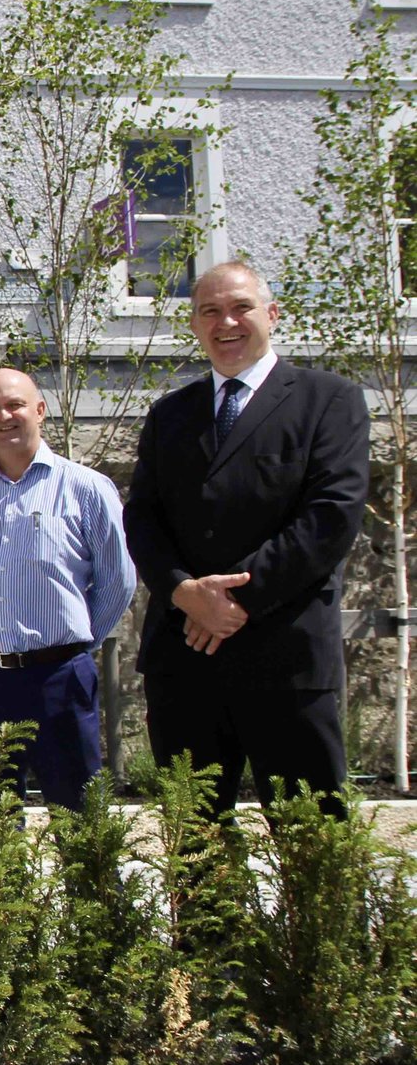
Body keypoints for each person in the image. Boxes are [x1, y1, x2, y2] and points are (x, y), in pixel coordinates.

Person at [125, 261, 370, 818]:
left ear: (272, 315)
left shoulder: (328, 401)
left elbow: (329, 518)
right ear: (194, 326)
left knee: (311, 841)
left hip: (284, 659)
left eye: (240, 308)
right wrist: (184, 592)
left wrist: (234, 600)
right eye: (209, 311)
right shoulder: (170, 415)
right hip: (185, 661)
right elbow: (142, 517)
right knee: (196, 853)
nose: (226, 322)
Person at [0, 369, 135, 808]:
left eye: (14, 405)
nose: (2, 416)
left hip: (59, 678)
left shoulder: (86, 488)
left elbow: (117, 581)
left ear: (40, 411)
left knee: (81, 819)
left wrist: (73, 644)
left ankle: (91, 884)